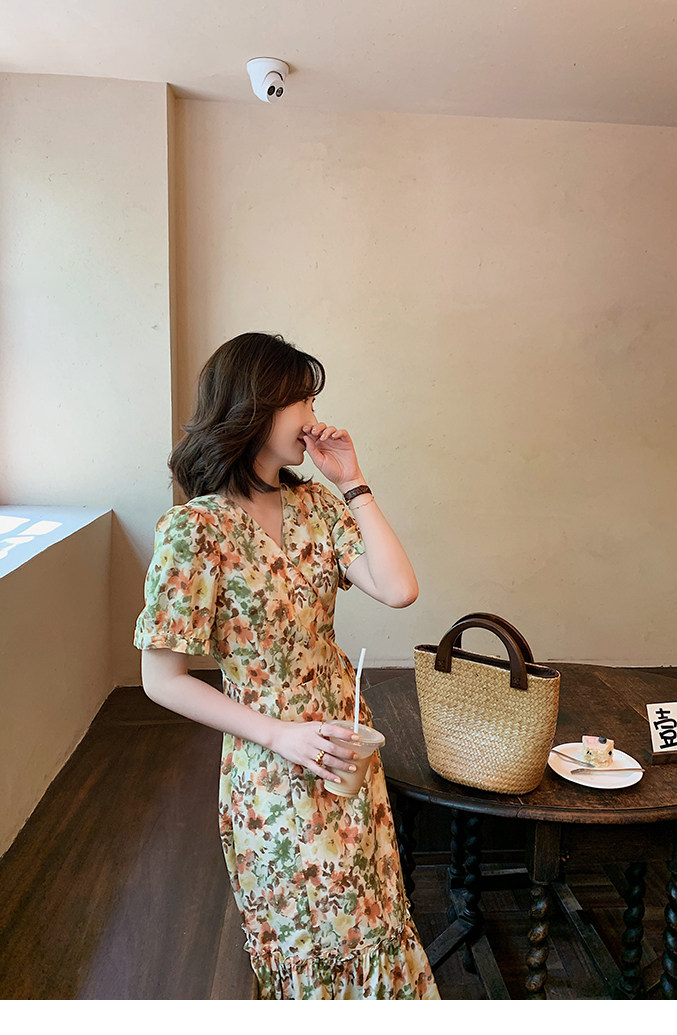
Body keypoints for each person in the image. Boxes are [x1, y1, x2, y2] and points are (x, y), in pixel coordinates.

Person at [134, 331, 440, 1000]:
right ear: (254, 406)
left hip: (346, 748)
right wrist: (280, 735)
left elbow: (399, 589)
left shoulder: (317, 508)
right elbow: (161, 679)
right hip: (269, 765)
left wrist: (352, 481)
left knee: (374, 919)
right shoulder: (196, 529)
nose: (313, 415)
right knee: (308, 941)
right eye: (301, 398)